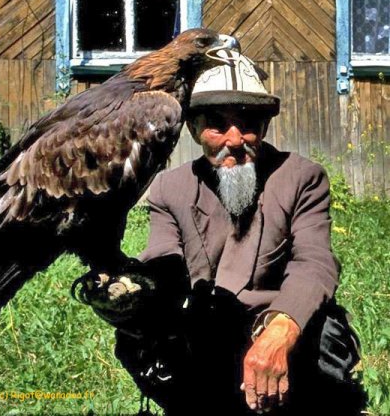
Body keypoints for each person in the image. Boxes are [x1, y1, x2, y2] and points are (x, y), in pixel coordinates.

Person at [78, 46, 364, 416]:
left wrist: (281, 331)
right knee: (142, 338)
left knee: (325, 334)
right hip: (209, 327)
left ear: (264, 127)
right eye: (217, 123)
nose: (234, 139)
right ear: (194, 128)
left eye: (248, 123)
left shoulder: (300, 177)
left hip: (281, 326)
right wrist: (136, 294)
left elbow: (314, 262)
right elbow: (164, 262)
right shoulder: (170, 188)